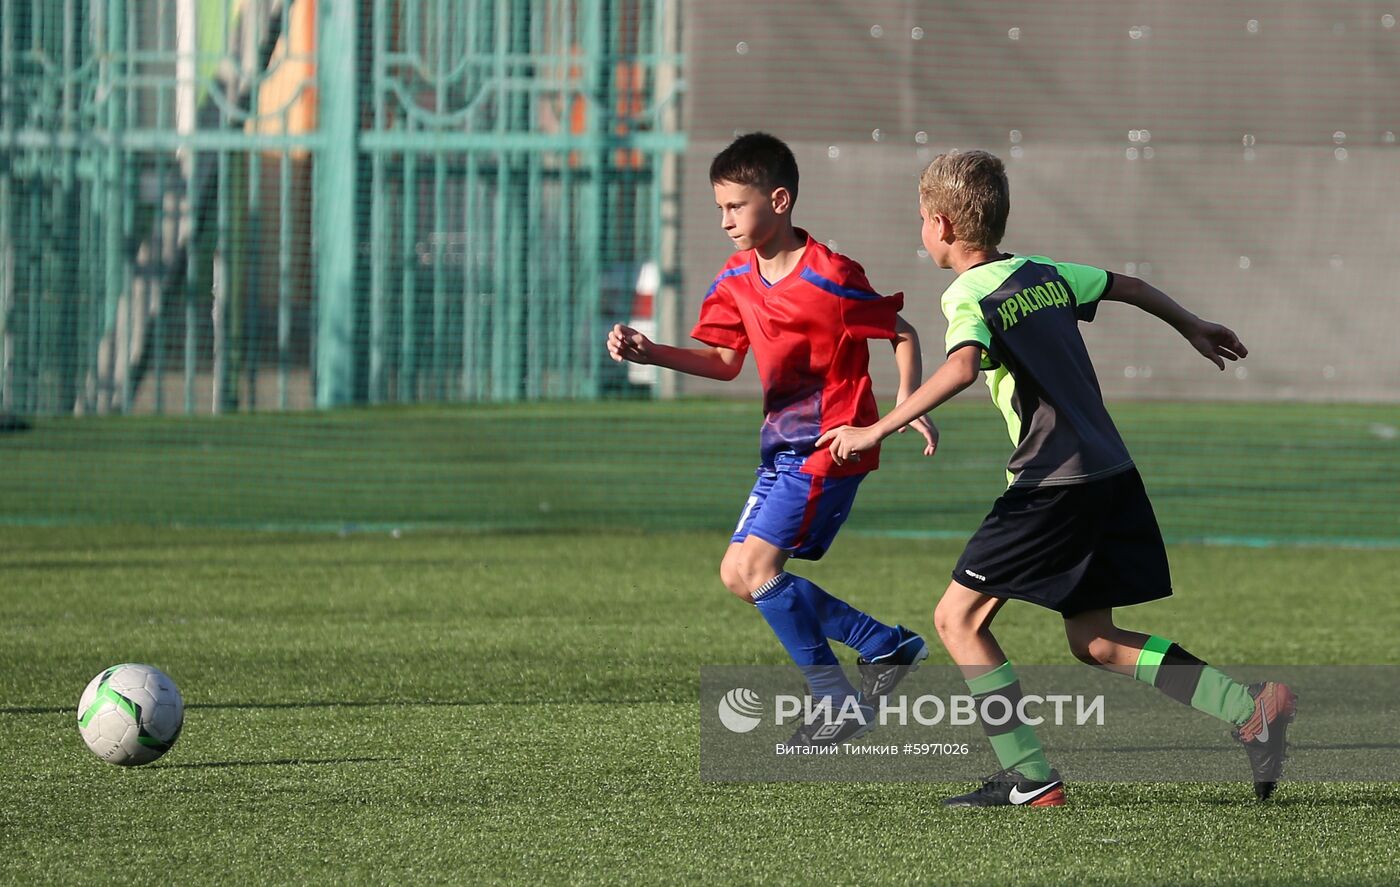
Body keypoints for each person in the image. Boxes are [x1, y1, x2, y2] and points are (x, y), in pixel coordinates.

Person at [817, 149, 1296, 805]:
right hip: (1109, 472)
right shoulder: (1041, 273)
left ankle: (1030, 775)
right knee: (1095, 640)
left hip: (1052, 482)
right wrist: (1190, 323)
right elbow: (1126, 284)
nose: (920, 232)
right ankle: (1249, 708)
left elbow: (960, 368)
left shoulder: (966, 292)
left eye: (921, 221)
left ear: (943, 226)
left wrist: (875, 427)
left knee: (957, 619)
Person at [607, 132, 937, 745]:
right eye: (719, 209)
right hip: (780, 451)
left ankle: (838, 696)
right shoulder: (735, 277)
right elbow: (725, 361)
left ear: (779, 200)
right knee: (739, 574)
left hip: (833, 449)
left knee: (757, 568)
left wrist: (904, 407)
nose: (726, 221)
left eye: (736, 206)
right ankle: (886, 646)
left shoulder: (832, 276)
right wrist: (653, 354)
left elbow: (903, 333)